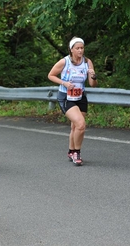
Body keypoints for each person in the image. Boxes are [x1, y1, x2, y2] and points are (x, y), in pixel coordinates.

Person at [47, 37, 97, 166]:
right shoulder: (64, 62)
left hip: (80, 97)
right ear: (71, 50)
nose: (80, 50)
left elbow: (93, 84)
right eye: (77, 48)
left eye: (82, 48)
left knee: (75, 126)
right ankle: (76, 152)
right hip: (66, 97)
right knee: (80, 124)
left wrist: (93, 75)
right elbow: (50, 75)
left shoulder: (87, 62)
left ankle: (71, 151)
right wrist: (64, 83)